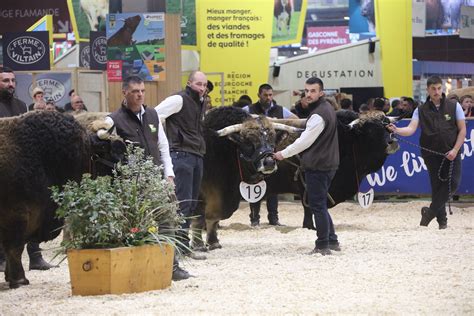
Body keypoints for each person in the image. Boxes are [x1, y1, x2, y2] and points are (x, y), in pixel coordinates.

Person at [105, 76, 191, 281]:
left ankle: (172, 266)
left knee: (167, 220)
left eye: (142, 91)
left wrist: (169, 174)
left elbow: (163, 146)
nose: (140, 94)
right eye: (135, 91)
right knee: (132, 224)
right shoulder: (114, 119)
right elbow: (104, 138)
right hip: (131, 183)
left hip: (157, 179)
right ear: (124, 92)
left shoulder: (152, 115)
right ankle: (134, 268)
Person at [387, 76, 466, 229]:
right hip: (431, 153)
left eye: (438, 88)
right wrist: (397, 130)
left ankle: (428, 214)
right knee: (437, 187)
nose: (436, 92)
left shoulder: (453, 105)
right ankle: (442, 223)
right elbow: (411, 129)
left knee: (453, 184)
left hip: (452, 152)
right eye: (433, 89)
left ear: (442, 88)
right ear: (428, 90)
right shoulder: (420, 110)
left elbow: (462, 130)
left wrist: (455, 149)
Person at [274, 77, 340, 255]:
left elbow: (304, 142)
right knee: (321, 204)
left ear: (321, 93)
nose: (308, 94)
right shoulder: (327, 109)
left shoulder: (318, 114)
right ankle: (332, 240)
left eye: (313, 91)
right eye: (307, 91)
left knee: (317, 205)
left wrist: (282, 154)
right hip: (328, 163)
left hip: (318, 165)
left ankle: (322, 245)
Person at [0, 66, 56, 271]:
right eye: (5, 81)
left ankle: (35, 256)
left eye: (13, 81)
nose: (10, 84)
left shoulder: (21, 105)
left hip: (22, 169)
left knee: (34, 210)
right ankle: (5, 259)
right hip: (3, 169)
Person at [155, 70, 207, 259]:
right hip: (181, 155)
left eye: (204, 85)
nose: (202, 88)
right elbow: (154, 114)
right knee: (182, 204)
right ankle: (177, 248)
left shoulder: (200, 103)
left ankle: (182, 246)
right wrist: (162, 142)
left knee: (191, 203)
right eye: (198, 84)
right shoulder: (179, 100)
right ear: (189, 83)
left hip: (195, 155)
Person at [243, 83, 298, 226]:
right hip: (256, 156)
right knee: (255, 183)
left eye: (270, 95)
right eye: (265, 95)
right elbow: (238, 119)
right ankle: (254, 219)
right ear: (259, 95)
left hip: (273, 154)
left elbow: (296, 120)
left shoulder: (280, 110)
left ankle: (273, 219)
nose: (268, 98)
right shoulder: (248, 110)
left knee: (273, 186)